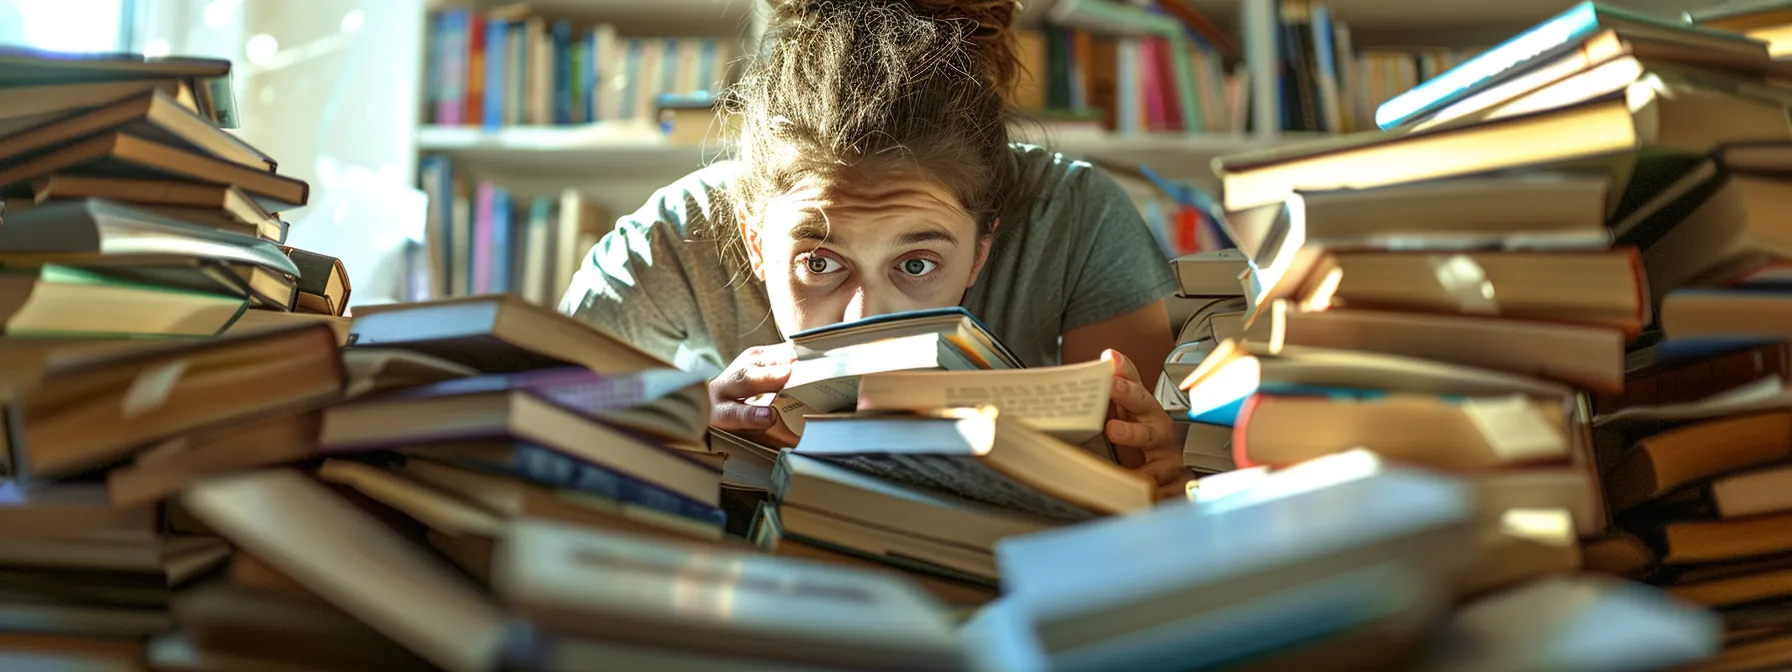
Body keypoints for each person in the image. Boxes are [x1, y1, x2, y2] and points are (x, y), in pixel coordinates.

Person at [560, 0, 1188, 497]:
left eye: (916, 264)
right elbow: (531, 419)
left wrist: (1154, 470)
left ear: (981, 250)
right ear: (753, 239)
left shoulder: (1073, 214)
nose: (866, 317)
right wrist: (678, 415)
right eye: (819, 263)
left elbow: (1136, 468)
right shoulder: (673, 233)